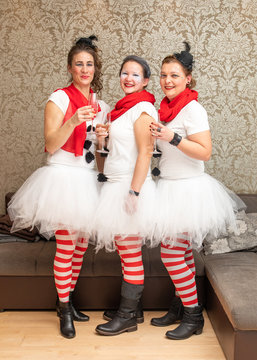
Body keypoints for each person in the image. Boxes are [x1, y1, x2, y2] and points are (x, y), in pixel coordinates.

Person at [7, 36, 110, 339]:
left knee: (79, 247)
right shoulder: (59, 99)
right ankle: (64, 309)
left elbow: (100, 154)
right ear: (70, 67)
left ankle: (65, 300)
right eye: (78, 64)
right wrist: (73, 120)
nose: (84, 69)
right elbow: (51, 144)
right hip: (62, 177)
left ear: (95, 68)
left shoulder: (101, 105)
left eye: (89, 64)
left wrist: (104, 139)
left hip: (87, 177)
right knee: (66, 245)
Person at [150, 42, 244, 340]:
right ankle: (181, 305)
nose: (167, 80)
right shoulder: (164, 108)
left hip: (189, 191)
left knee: (170, 253)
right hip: (168, 186)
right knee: (185, 253)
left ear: (187, 78)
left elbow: (204, 152)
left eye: (174, 75)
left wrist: (172, 137)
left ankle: (193, 316)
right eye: (164, 75)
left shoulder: (193, 108)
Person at [94, 55, 158, 336]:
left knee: (130, 252)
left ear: (145, 81)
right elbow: (117, 151)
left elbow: (145, 153)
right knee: (126, 249)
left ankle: (127, 316)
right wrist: (102, 140)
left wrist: (134, 192)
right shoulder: (121, 110)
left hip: (129, 186)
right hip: (115, 182)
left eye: (135, 74)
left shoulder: (143, 108)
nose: (128, 79)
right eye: (124, 73)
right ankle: (134, 308)